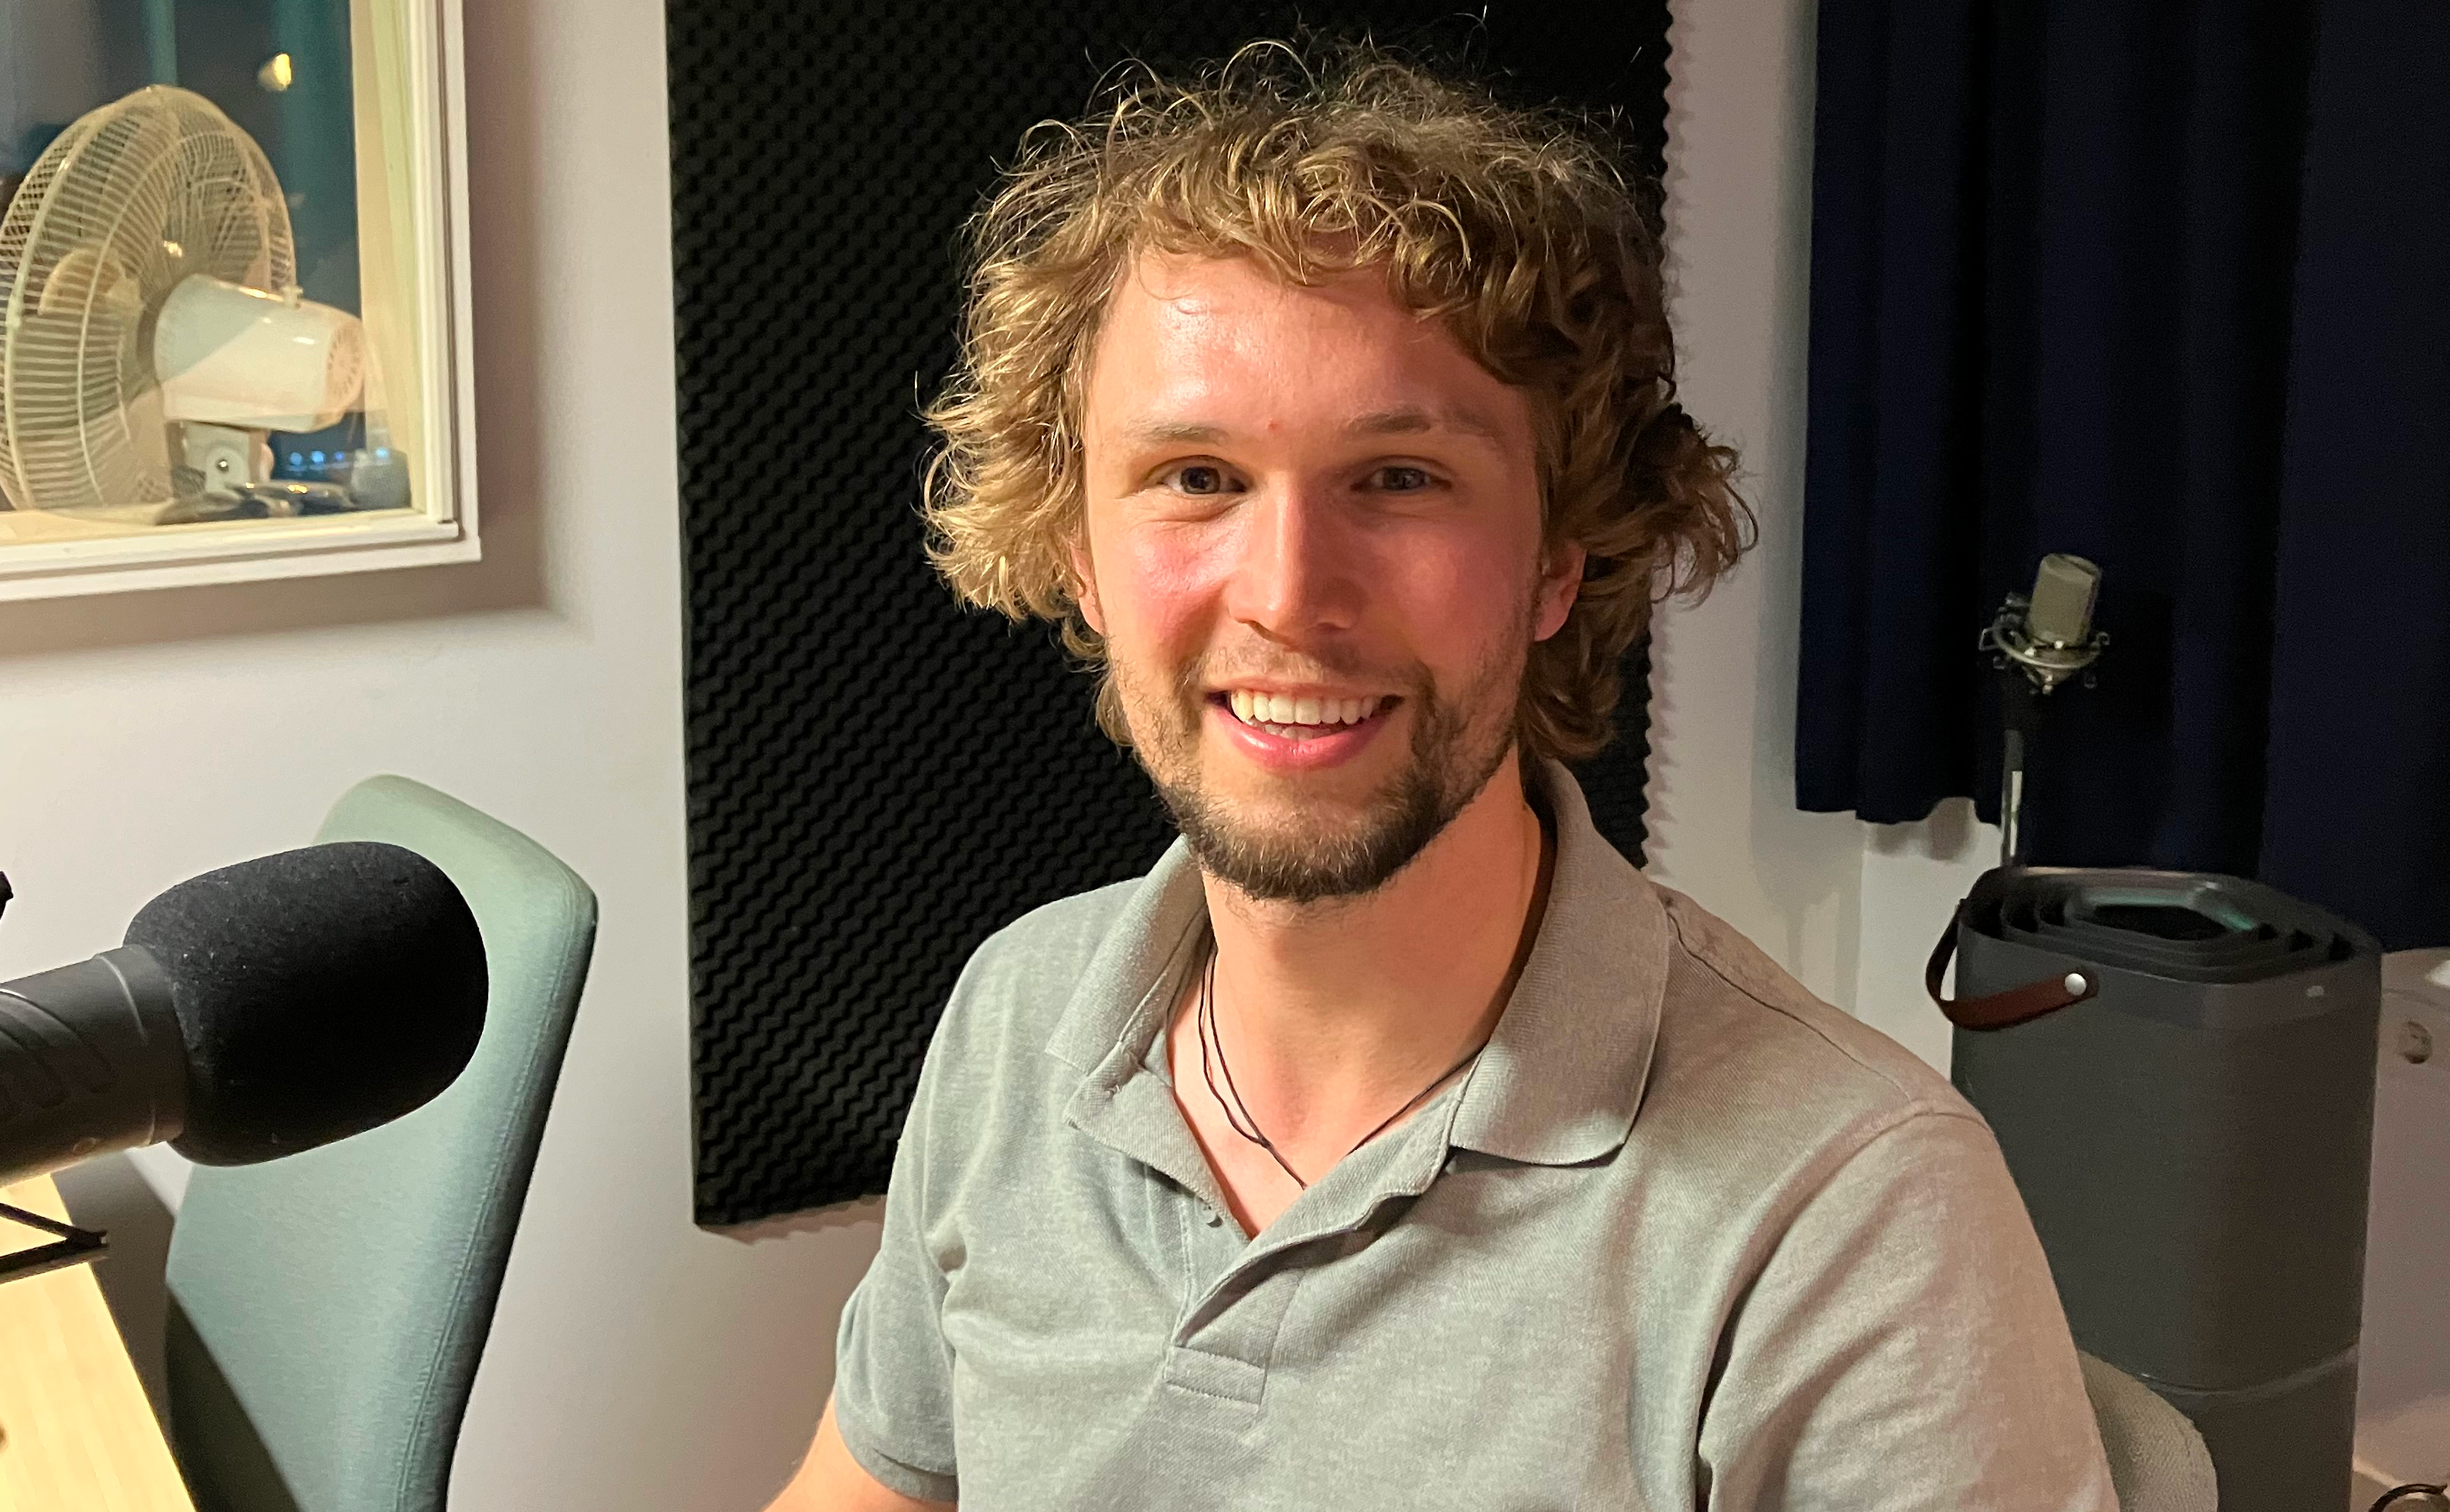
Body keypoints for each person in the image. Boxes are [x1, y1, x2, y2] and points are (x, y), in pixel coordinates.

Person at [767, 43, 2115, 1512]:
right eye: (1197, 477)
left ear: (1559, 559)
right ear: (1080, 557)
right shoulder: (1019, 1012)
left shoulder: (1850, 1215)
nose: (1289, 593)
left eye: (1400, 478)